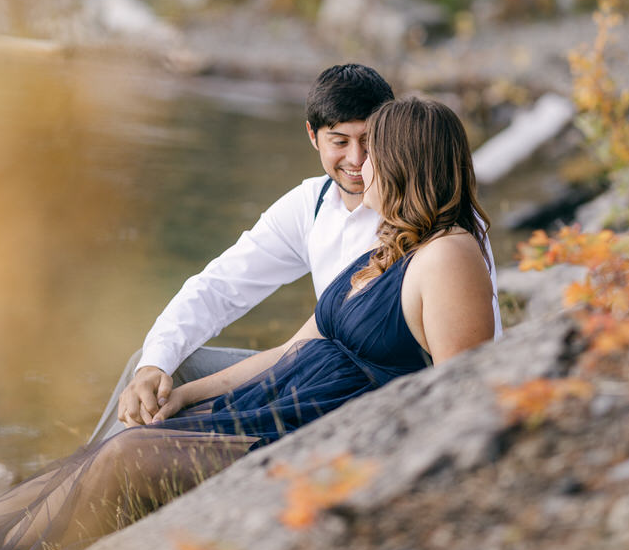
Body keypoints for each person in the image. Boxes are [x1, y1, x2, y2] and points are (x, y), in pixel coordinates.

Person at [0, 96, 498, 550]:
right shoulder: (381, 244)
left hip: (318, 434)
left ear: (409, 163)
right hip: (280, 402)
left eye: (373, 156)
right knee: (129, 434)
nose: (359, 169)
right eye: (347, 149)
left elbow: (462, 395)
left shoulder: (449, 256)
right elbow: (291, 345)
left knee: (123, 458)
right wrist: (183, 388)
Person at [100, 64, 500, 440]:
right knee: (161, 370)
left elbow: (474, 346)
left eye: (369, 143)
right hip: (312, 371)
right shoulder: (310, 203)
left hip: (363, 398)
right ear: (313, 136)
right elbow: (220, 286)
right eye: (340, 142)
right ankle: (97, 492)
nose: (358, 161)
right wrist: (154, 363)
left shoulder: (437, 232)